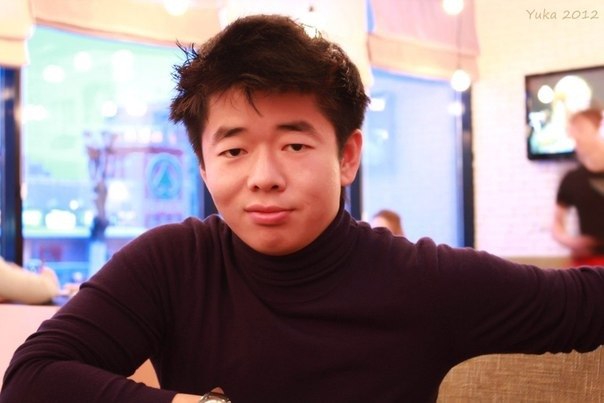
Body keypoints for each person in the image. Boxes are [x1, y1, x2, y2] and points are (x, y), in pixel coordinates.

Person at [2, 14, 604, 403]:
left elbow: (586, 304)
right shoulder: (175, 262)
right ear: (204, 167)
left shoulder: (423, 280)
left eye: (294, 145)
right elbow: (32, 377)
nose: (264, 177)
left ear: (347, 156)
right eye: (234, 149)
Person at [552, 108, 604, 264]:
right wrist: (571, 242)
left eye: (581, 129)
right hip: (588, 264)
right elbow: (557, 223)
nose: (576, 136)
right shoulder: (572, 179)